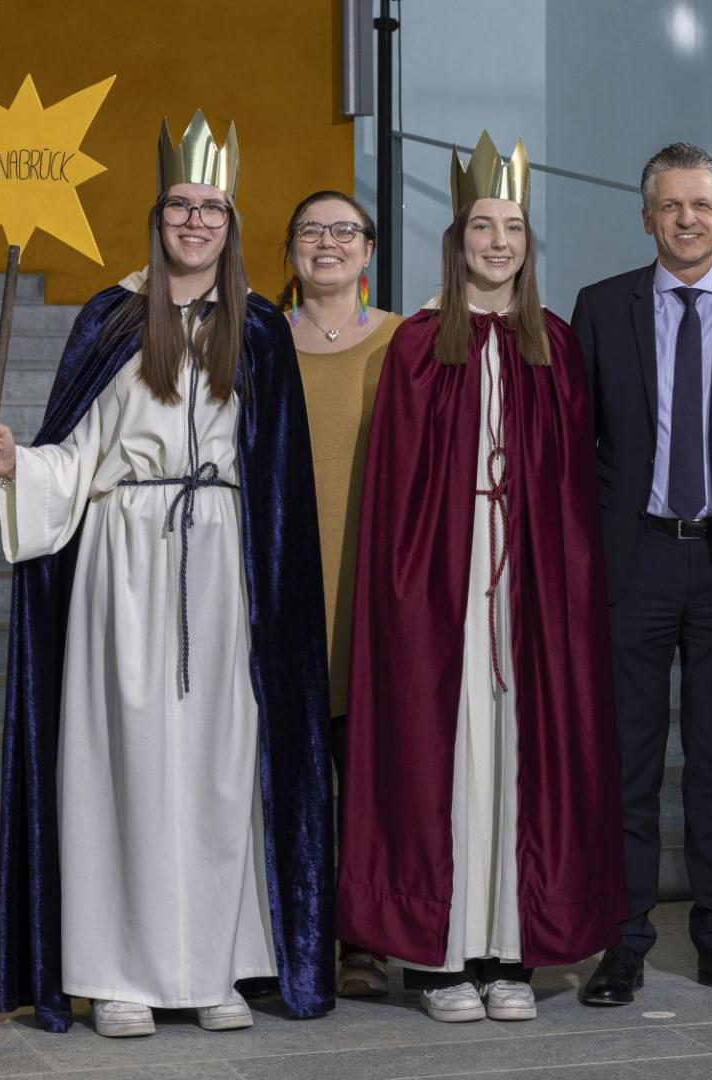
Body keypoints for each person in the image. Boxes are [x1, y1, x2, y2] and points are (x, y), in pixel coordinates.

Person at [0, 111, 333, 1037]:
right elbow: (78, 455)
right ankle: (118, 972)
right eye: (182, 204)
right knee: (120, 769)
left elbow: (281, 475)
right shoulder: (112, 318)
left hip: (223, 565)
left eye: (213, 206)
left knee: (219, 769)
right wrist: (19, 462)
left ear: (233, 220)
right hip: (123, 563)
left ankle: (215, 970)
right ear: (158, 213)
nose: (196, 220)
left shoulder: (259, 327)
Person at [337, 132, 624, 1024]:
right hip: (445, 586)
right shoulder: (420, 346)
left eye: (514, 228)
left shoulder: (558, 348)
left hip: (530, 591)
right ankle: (440, 953)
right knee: (448, 752)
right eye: (482, 226)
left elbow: (573, 489)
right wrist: (417, 588)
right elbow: (397, 490)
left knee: (520, 755)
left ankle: (509, 948)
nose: (498, 242)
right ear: (456, 238)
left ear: (529, 244)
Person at [571, 143, 712, 1006]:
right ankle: (621, 941)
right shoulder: (601, 307)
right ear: (647, 217)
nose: (688, 219)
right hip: (635, 561)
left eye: (702, 204)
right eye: (672, 206)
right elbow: (576, 442)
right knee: (627, 765)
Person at [279, 190, 405, 998]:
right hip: (283, 583)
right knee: (289, 780)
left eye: (343, 231)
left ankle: (362, 942)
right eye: (310, 230)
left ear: (369, 250)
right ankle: (292, 932)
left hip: (374, 587)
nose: (327, 243)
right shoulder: (255, 339)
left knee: (368, 778)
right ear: (289, 249)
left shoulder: (407, 341)